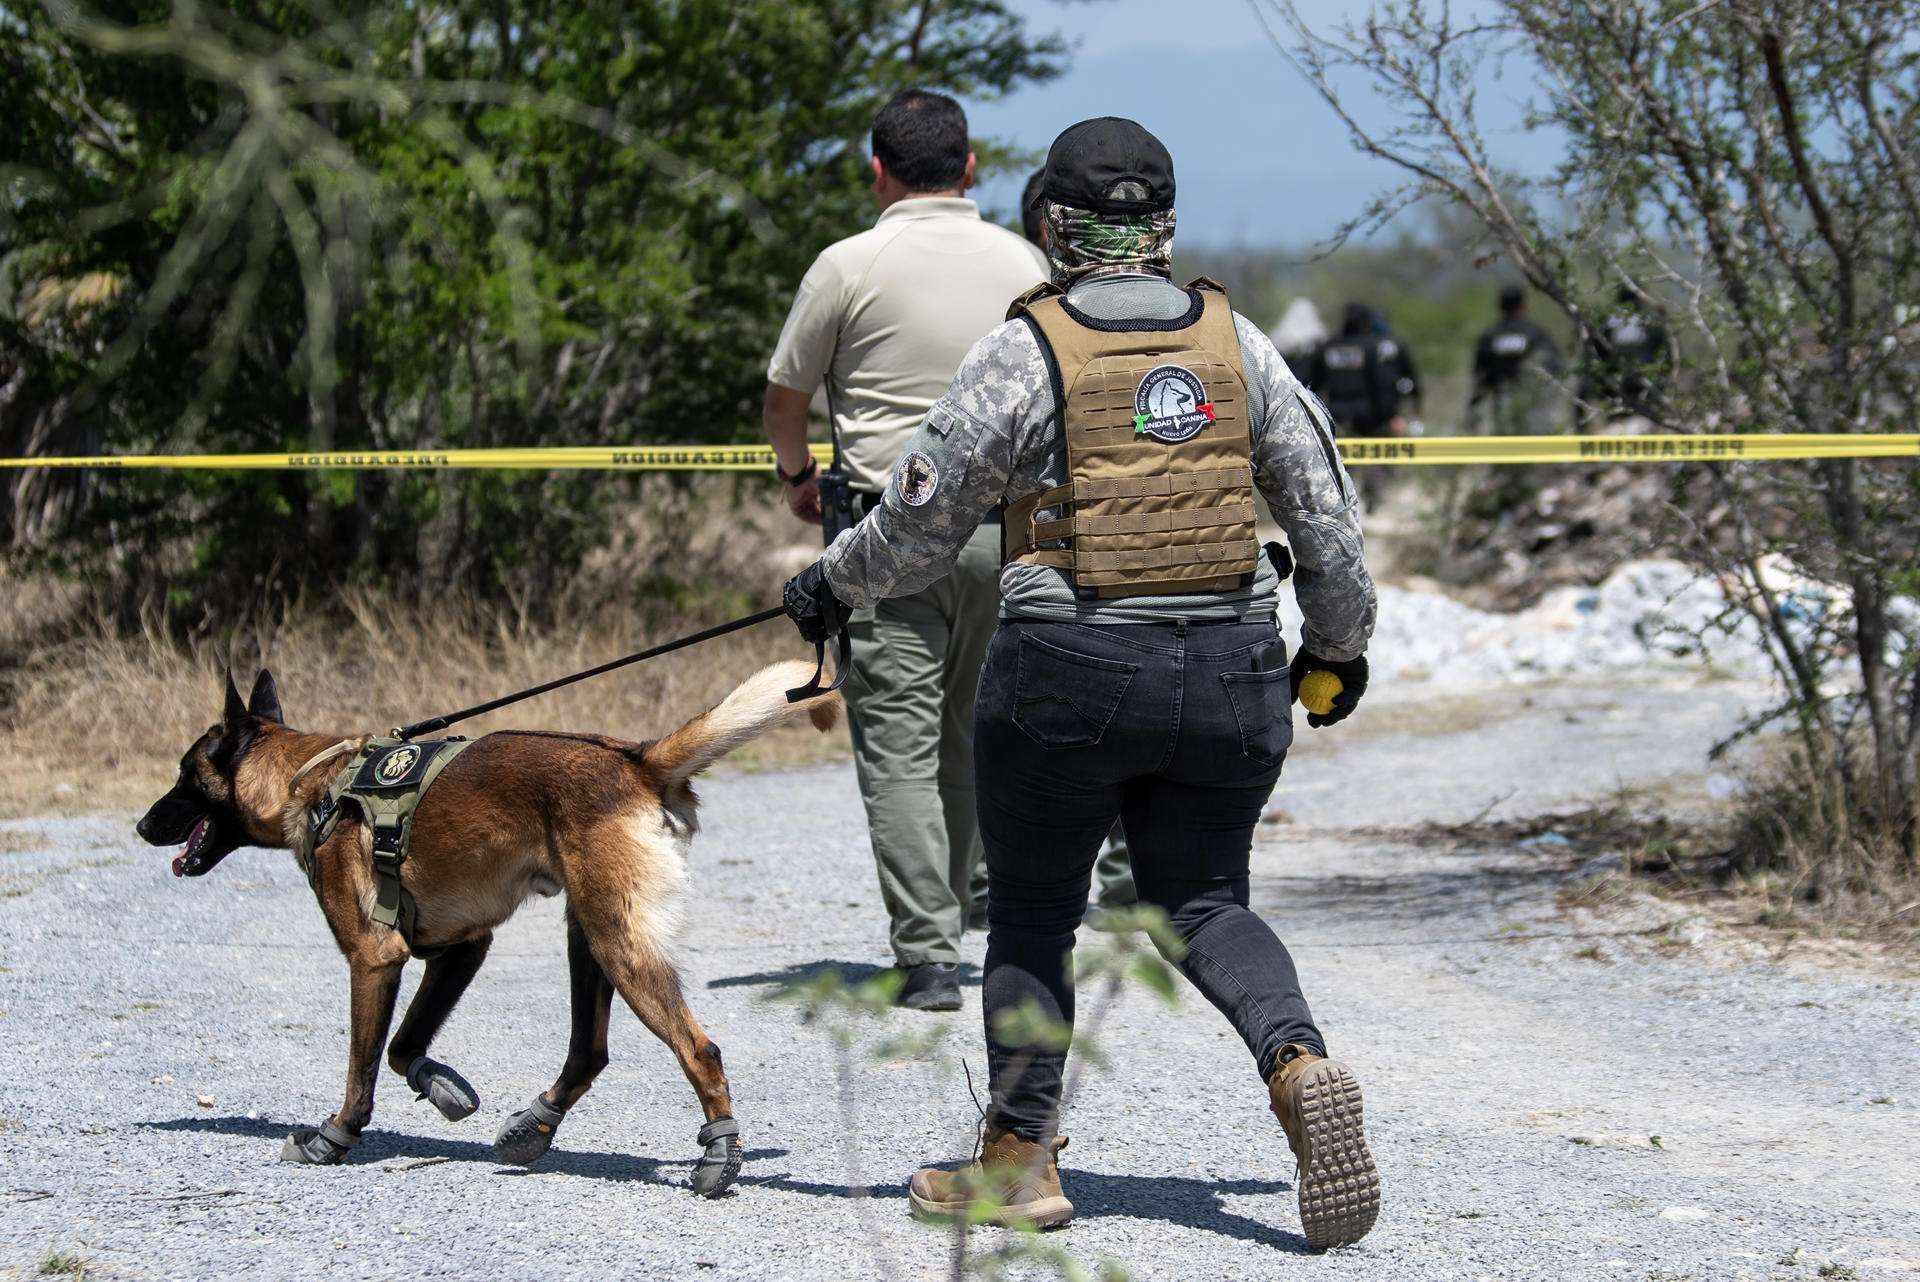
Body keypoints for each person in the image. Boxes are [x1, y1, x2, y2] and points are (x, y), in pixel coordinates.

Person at [782, 117, 1381, 1250]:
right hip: (1236, 667)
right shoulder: (1240, 343)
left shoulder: (1025, 350)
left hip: (1069, 671)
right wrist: (1337, 650)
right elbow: (1331, 529)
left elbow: (916, 526)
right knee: (1200, 899)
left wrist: (829, 583)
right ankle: (1297, 1058)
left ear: (1050, 223)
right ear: (1164, 227)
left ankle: (1018, 1161)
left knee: (1037, 906)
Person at [762, 89, 1050, 1012]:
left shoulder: (848, 264)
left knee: (895, 741)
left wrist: (798, 476)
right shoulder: (1026, 261)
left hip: (887, 532)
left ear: (876, 169)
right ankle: (963, 910)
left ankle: (927, 954)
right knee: (969, 729)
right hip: (1005, 530)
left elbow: (785, 391)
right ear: (971, 169)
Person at [1307, 302, 1420, 437]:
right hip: (1370, 420)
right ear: (1366, 322)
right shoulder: (1372, 348)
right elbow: (1383, 385)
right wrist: (1391, 416)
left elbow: (1313, 385)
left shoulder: (1327, 347)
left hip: (1334, 417)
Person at [1469, 283, 1563, 435]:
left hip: (1502, 409)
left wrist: (1472, 414)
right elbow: (1557, 366)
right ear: (1524, 304)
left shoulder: (1490, 336)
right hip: (1534, 409)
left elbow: (1480, 377)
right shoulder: (1536, 334)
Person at [1578, 284, 1669, 429]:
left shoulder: (1604, 326)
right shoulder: (1650, 325)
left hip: (1615, 393)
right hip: (1641, 392)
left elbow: (1592, 362)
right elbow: (1665, 361)